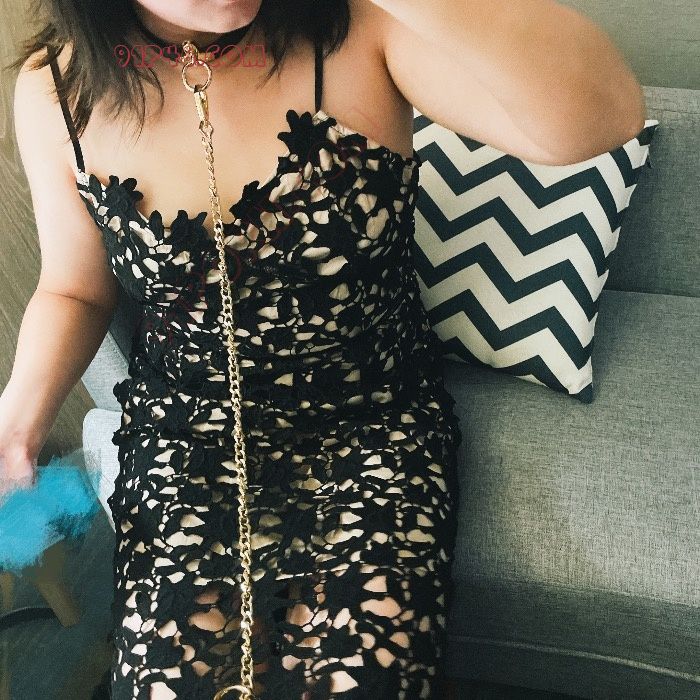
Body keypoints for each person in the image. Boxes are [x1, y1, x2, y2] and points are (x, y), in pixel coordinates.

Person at [2, 0, 646, 697]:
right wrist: (17, 423)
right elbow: (74, 289)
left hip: (372, 417)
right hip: (188, 430)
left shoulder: (363, 26)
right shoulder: (54, 88)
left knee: (362, 678)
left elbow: (601, 119)